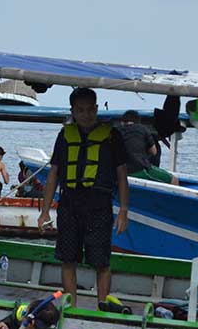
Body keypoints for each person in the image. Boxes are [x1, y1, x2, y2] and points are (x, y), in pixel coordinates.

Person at [37, 87, 129, 309]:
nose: (86, 115)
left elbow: (122, 175)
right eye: (80, 110)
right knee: (68, 258)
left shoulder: (111, 136)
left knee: (101, 260)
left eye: (90, 110)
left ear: (97, 109)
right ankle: (72, 307)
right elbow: (53, 174)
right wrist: (44, 211)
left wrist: (124, 210)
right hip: (69, 204)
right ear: (73, 111)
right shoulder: (65, 136)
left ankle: (102, 306)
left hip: (99, 204)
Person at [119, 110, 178, 186]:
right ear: (138, 121)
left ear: (122, 122)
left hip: (118, 171)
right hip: (138, 169)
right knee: (174, 180)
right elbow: (154, 152)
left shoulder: (116, 131)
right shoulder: (143, 129)